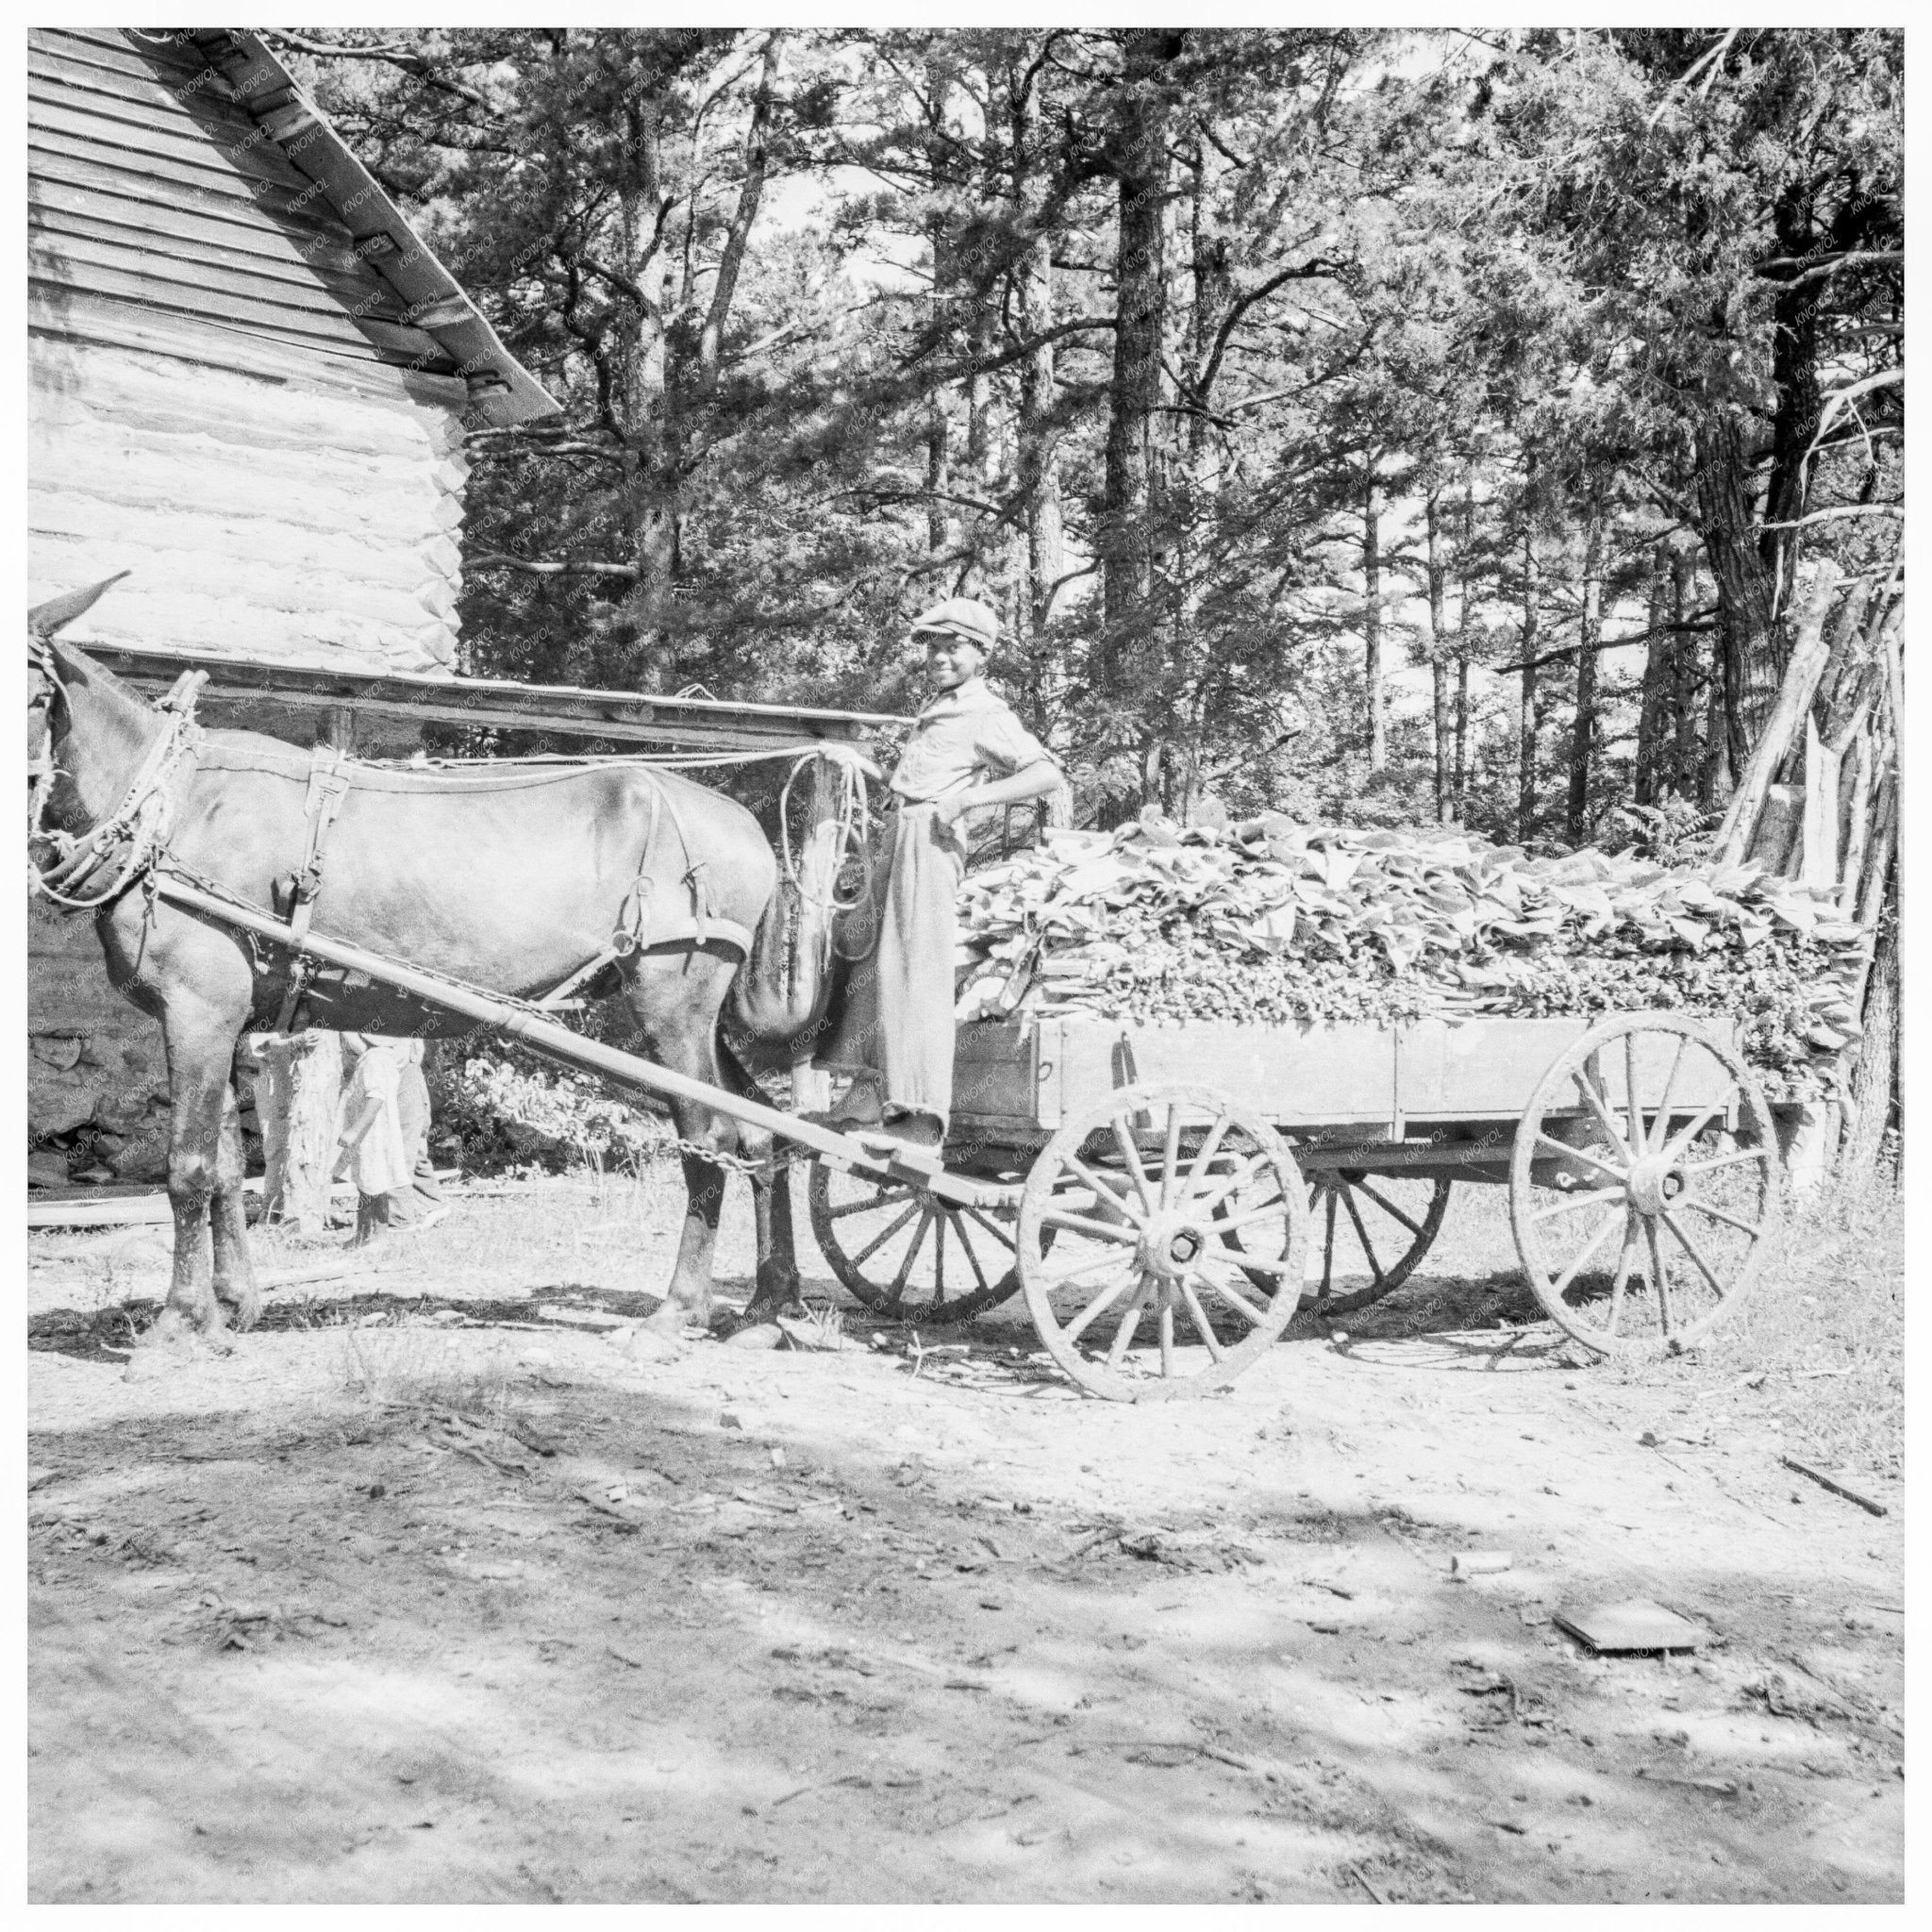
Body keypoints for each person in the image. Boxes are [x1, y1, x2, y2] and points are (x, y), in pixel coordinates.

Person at [815, 597, 1062, 1149]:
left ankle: (920, 1113)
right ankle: (870, 1091)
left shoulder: (986, 711)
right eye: (934, 646)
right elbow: (914, 782)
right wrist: (860, 766)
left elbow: (1046, 774)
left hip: (931, 841)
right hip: (901, 833)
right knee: (868, 954)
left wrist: (970, 801)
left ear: (982, 654)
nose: (940, 657)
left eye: (953, 647)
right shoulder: (940, 706)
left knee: (916, 967)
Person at [337, 1032, 446, 1243]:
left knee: (396, 1158)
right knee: (394, 1160)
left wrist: (355, 1130)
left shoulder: (378, 1058)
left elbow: (378, 1088)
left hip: (402, 1077)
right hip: (393, 1073)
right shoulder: (374, 1055)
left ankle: (398, 1223)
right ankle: (425, 1206)